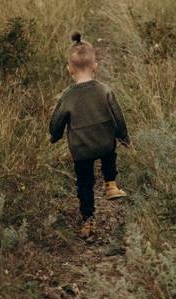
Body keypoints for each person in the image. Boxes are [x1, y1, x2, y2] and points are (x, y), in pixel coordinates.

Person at [49, 32, 130, 239]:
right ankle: (110, 184)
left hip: (81, 149)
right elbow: (117, 115)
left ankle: (88, 219)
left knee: (84, 184)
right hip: (104, 142)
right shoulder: (104, 90)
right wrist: (123, 138)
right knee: (109, 154)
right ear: (95, 67)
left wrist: (55, 136)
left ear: (69, 69)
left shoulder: (67, 96)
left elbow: (57, 120)